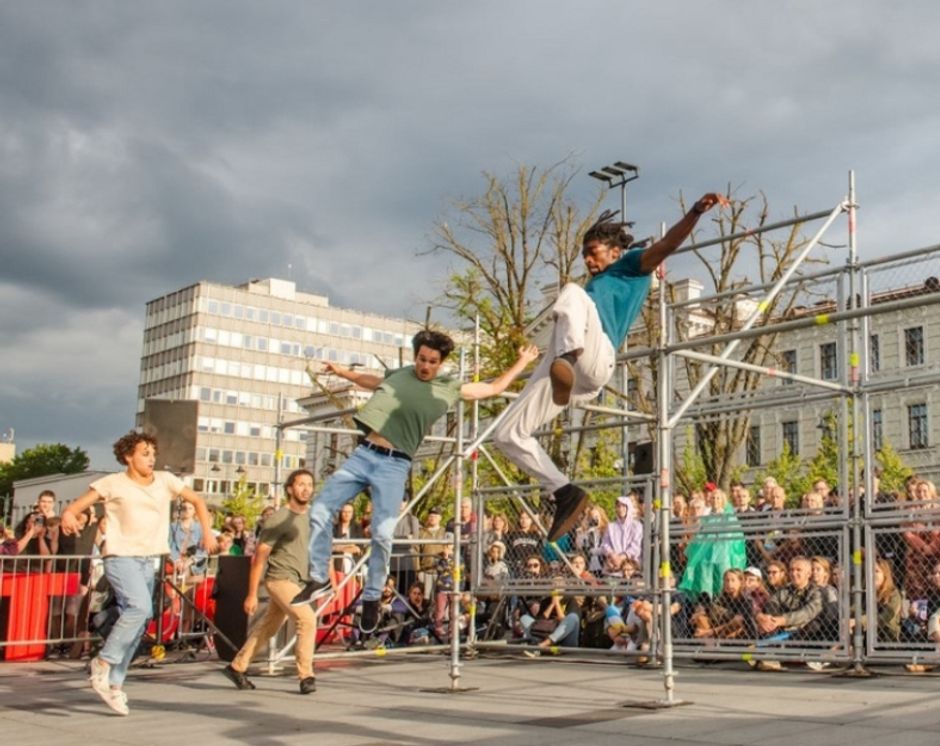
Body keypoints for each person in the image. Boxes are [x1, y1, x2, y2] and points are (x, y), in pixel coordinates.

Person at [490, 193, 728, 543]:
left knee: (571, 292)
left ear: (614, 252)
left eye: (593, 252)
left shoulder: (630, 265)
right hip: (572, 373)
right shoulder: (592, 287)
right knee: (506, 434)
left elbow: (667, 245)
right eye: (584, 255)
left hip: (595, 354)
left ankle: (566, 360)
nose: (588, 260)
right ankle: (564, 492)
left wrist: (695, 212)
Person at [292, 332, 539, 638]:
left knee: (383, 533)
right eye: (422, 359)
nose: (425, 366)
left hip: (394, 464)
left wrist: (521, 362)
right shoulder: (399, 375)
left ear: (440, 363)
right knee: (319, 509)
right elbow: (372, 381)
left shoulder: (448, 387)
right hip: (363, 454)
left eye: (432, 362)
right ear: (415, 357)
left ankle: (372, 596)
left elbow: (492, 388)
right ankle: (319, 577)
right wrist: (342, 372)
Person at [59, 432, 214, 716]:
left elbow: (198, 502)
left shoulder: (166, 481)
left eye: (153, 453)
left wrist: (207, 533)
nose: (151, 458)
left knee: (141, 621)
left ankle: (113, 684)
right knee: (139, 607)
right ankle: (102, 662)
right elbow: (75, 507)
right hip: (120, 556)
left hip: (148, 560)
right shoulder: (113, 483)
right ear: (128, 456)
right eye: (145, 453)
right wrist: (69, 515)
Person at [221, 469, 318, 694]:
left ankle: (237, 666)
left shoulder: (310, 517)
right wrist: (252, 594)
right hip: (279, 579)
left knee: (269, 627)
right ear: (290, 489)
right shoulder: (278, 518)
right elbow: (259, 556)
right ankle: (306, 676)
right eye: (301, 484)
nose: (306, 489)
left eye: (309, 484)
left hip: (297, 580)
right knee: (307, 619)